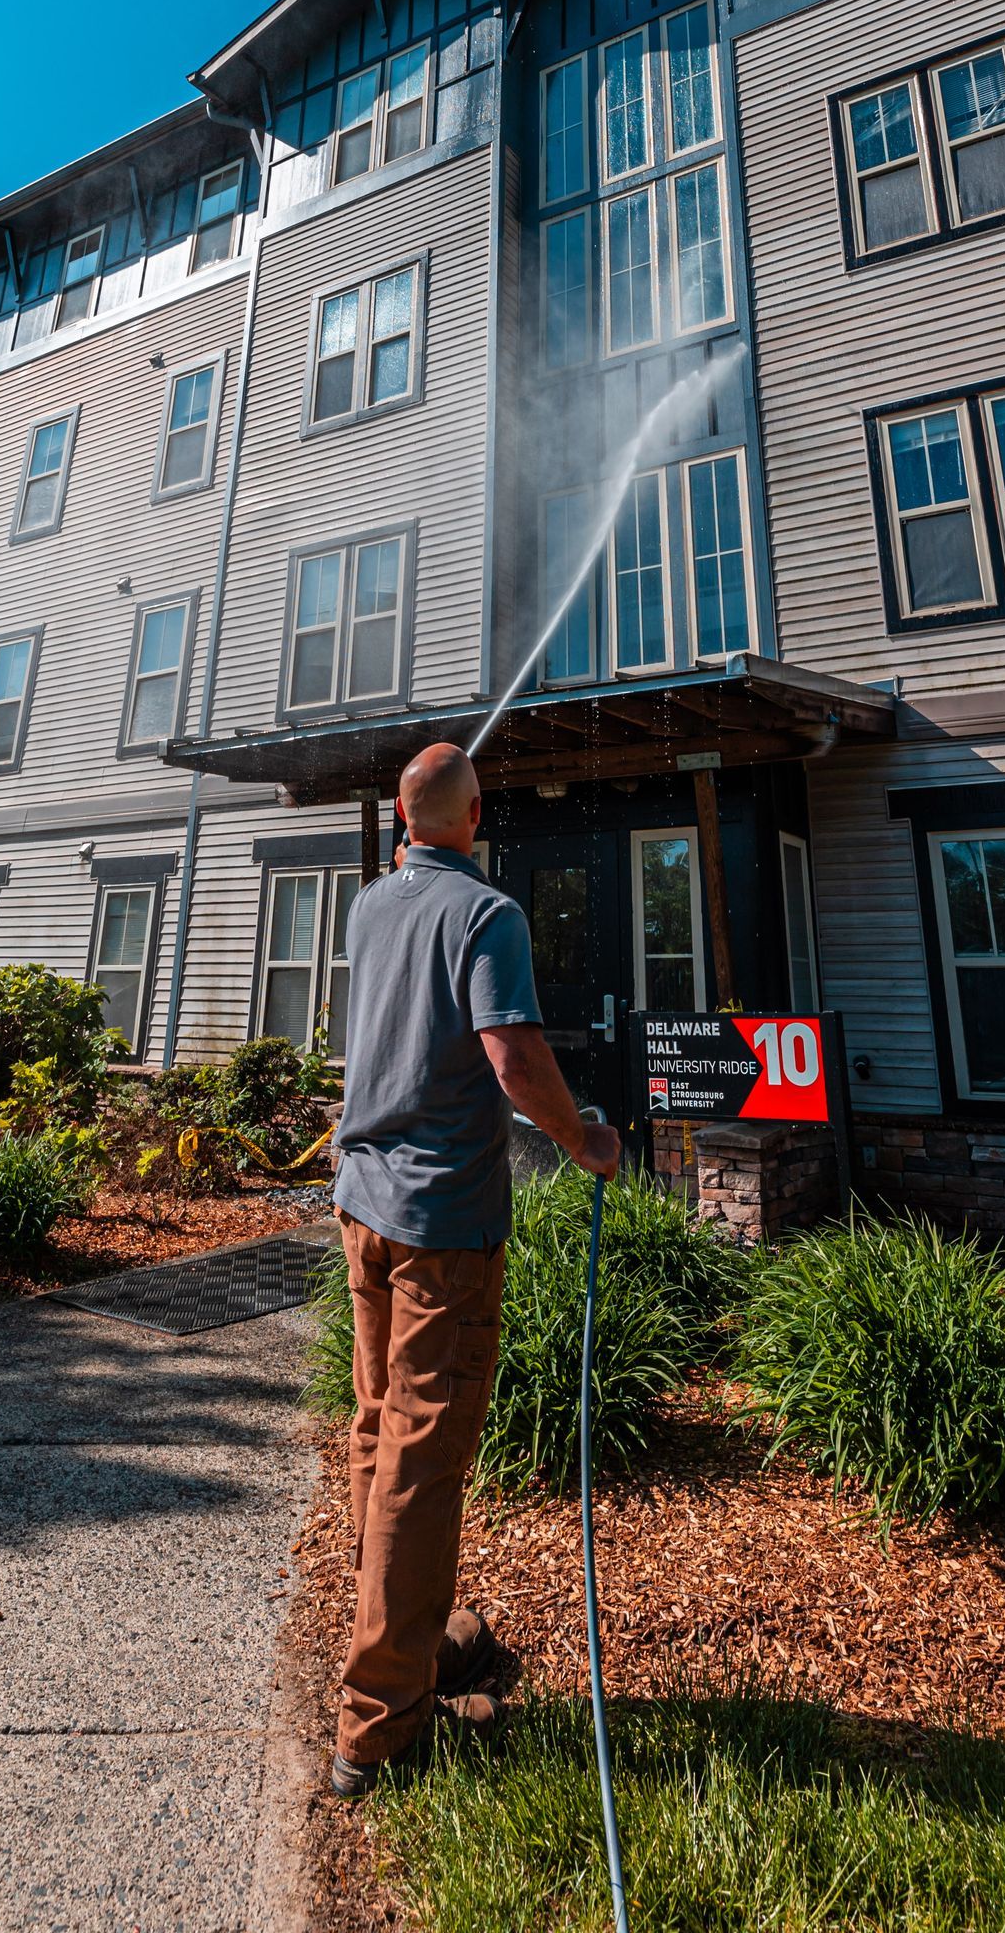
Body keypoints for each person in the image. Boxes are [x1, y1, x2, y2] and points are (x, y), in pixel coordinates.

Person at [327, 739, 621, 1796]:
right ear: (473, 813)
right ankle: (382, 1721)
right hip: (443, 1228)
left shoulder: (369, 907)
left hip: (363, 1208)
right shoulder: (490, 916)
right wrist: (584, 1135)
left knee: (378, 1435)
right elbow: (511, 1056)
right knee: (420, 1456)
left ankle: (406, 1647)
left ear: (404, 821)